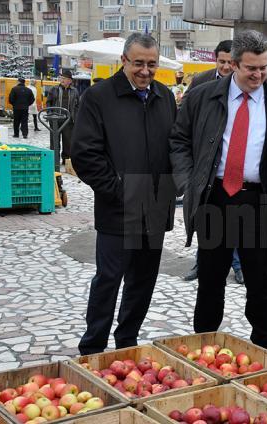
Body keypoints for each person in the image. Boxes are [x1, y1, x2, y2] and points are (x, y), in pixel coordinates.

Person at [169, 30, 267, 353]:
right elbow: (179, 141)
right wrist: (188, 182)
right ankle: (203, 344)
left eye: (264, 68)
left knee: (260, 280)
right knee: (210, 278)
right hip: (214, 197)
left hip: (260, 200)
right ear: (233, 64)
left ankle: (266, 347)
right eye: (251, 68)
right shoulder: (202, 98)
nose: (258, 75)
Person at [71, 33, 177, 355]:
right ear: (124, 61)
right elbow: (85, 154)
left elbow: (174, 147)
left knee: (143, 283)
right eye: (138, 63)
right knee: (108, 280)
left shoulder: (165, 97)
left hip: (156, 208)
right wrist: (121, 191)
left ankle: (127, 342)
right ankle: (93, 348)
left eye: (152, 64)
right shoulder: (99, 97)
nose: (145, 71)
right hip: (118, 208)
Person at [181, 39, 243, 284]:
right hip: (205, 164)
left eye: (230, 62)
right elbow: (184, 117)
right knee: (205, 219)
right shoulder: (201, 81)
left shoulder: (245, 83)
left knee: (235, 220)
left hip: (233, 164)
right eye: (222, 62)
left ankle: (238, 266)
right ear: (215, 60)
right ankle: (201, 263)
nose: (226, 67)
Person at [47, 69, 79, 163]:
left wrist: (76, 118)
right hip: (55, 119)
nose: (62, 80)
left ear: (70, 80)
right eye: (61, 78)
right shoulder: (54, 89)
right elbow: (49, 103)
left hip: (68, 120)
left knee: (68, 141)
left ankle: (66, 159)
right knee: (54, 141)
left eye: (64, 78)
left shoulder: (74, 91)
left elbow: (77, 106)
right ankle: (54, 160)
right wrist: (50, 114)